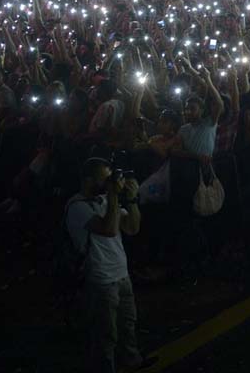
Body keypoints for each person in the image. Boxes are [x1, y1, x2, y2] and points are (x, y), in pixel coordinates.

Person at [65, 157, 145, 373]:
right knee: (105, 334)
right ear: (88, 180)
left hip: (122, 274)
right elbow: (108, 229)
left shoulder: (106, 201)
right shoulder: (77, 206)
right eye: (105, 179)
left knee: (128, 325)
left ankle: (132, 361)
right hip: (100, 279)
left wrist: (131, 200)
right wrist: (113, 195)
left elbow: (132, 228)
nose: (110, 183)